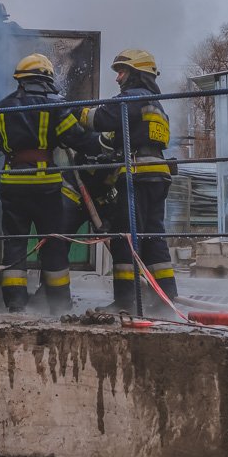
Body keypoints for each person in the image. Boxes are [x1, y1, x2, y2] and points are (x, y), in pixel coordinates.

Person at [0, 54, 100, 314]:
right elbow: (74, 137)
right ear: (45, 79)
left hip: (11, 182)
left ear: (21, 80)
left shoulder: (1, 107)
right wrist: (101, 145)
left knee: (15, 242)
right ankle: (59, 303)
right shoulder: (54, 106)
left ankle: (16, 303)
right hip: (45, 185)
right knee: (53, 242)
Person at [81, 49, 179, 315]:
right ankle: (166, 298)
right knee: (153, 235)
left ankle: (126, 302)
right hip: (157, 173)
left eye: (121, 72)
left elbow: (101, 118)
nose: (118, 79)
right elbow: (122, 136)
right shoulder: (156, 103)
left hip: (138, 173)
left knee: (126, 235)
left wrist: (76, 112)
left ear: (136, 74)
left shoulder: (131, 98)